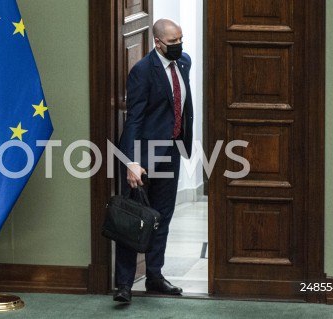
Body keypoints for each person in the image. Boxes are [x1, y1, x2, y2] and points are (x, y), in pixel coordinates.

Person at [114, 18, 193, 303]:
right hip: (144, 157)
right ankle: (123, 284)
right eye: (173, 42)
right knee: (131, 220)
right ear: (157, 43)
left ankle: (155, 277)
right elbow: (133, 120)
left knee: (162, 217)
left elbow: (182, 108)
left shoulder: (184, 61)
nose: (179, 46)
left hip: (171, 152)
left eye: (180, 39)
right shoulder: (142, 72)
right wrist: (130, 162)